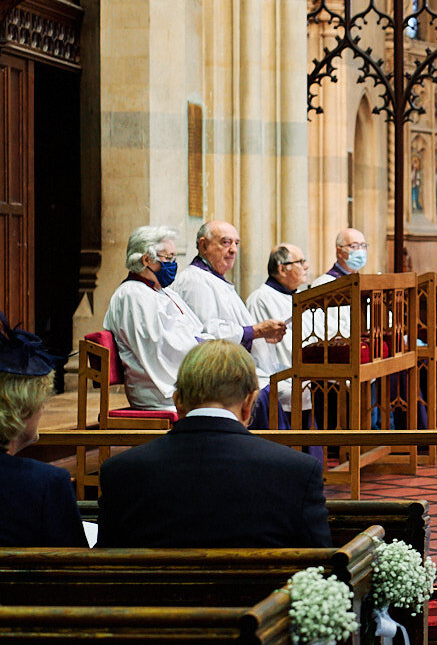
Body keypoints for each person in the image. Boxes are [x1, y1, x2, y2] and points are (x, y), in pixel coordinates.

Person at [97, 339, 331, 548]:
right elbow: (320, 569)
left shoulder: (120, 472)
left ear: (178, 402)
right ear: (249, 403)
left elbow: (104, 567)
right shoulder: (296, 472)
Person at [0, 313, 87, 547]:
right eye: (42, 401)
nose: (43, 409)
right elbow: (76, 568)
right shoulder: (47, 483)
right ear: (23, 408)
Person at [102, 225, 206, 410]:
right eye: (168, 258)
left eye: (174, 257)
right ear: (147, 259)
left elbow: (195, 330)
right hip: (158, 391)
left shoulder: (164, 292)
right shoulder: (131, 295)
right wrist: (203, 349)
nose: (174, 263)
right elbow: (156, 346)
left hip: (179, 378)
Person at [172, 220, 287, 371]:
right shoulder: (195, 280)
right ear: (204, 245)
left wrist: (262, 335)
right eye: (226, 242)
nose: (233, 250)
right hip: (222, 375)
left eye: (236, 244)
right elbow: (208, 334)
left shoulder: (215, 279)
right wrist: (256, 331)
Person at [245, 242, 310, 382]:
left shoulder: (303, 296)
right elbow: (266, 350)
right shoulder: (260, 299)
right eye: (300, 262)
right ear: (282, 269)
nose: (306, 266)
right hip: (283, 381)